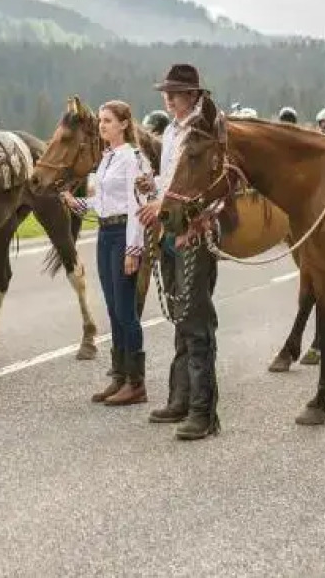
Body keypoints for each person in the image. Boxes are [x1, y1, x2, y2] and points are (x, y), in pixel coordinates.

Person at [135, 63, 220, 441]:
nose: (168, 99)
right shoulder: (172, 131)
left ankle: (203, 412)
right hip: (170, 227)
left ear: (194, 95)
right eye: (166, 93)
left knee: (196, 318)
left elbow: (214, 185)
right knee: (180, 316)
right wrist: (151, 185)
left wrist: (195, 221)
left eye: (176, 93)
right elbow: (173, 181)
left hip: (194, 231)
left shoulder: (204, 132)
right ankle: (180, 397)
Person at [60, 100, 153, 406]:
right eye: (100, 121)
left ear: (125, 124)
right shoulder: (108, 158)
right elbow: (104, 201)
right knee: (113, 309)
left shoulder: (133, 158)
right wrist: (79, 204)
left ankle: (136, 383)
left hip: (124, 234)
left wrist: (133, 248)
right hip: (104, 233)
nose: (102, 126)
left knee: (126, 310)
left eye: (109, 121)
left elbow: (137, 206)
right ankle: (119, 376)